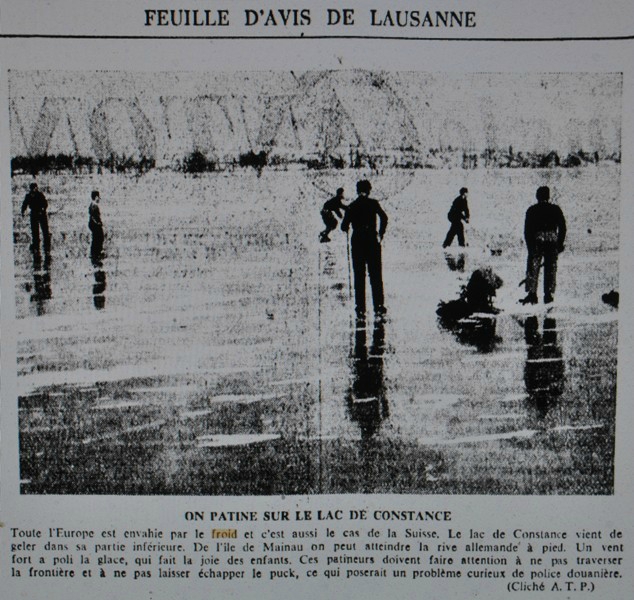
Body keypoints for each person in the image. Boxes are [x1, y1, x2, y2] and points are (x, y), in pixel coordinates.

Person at [341, 180, 388, 322]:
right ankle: (379, 305)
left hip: (358, 242)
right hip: (372, 241)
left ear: (357, 190)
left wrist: (348, 226)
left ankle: (360, 307)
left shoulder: (352, 206)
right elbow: (384, 218)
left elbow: (344, 226)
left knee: (359, 276)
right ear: (369, 190)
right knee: (375, 275)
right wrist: (380, 233)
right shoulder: (373, 203)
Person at [520, 186, 566, 305]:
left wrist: (530, 246)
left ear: (537, 196)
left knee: (533, 266)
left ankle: (532, 294)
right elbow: (562, 227)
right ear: (548, 196)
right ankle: (549, 294)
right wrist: (559, 243)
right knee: (550, 268)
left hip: (537, 240)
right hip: (552, 240)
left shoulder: (532, 210)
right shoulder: (555, 209)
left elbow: (527, 230)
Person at [21, 182, 50, 256]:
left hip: (41, 214)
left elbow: (45, 203)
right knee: (35, 231)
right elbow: (24, 204)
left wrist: (43, 209)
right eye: (34, 188)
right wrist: (23, 211)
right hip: (34, 214)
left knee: (45, 231)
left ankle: (46, 245)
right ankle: (36, 246)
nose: (35, 189)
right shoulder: (29, 196)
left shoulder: (40, 195)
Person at [88, 190, 104, 263]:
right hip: (95, 226)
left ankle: (95, 254)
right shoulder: (95, 205)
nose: (99, 199)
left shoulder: (92, 205)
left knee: (96, 239)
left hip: (93, 225)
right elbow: (94, 216)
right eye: (98, 197)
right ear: (96, 197)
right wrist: (98, 223)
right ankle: (97, 254)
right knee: (98, 238)